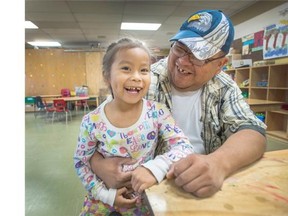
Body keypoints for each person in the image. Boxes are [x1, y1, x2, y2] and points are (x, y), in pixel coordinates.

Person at [90, 9, 267, 199]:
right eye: (180, 48)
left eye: (199, 55)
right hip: (144, 192)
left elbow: (252, 131)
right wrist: (97, 164)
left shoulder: (224, 87)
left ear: (220, 65)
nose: (182, 61)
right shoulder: (144, 81)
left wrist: (218, 163)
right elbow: (100, 130)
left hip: (201, 190)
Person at [73, 38, 194, 215]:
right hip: (101, 200)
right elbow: (81, 162)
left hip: (143, 201)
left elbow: (184, 147)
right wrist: (105, 195)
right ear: (107, 75)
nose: (136, 77)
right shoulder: (92, 121)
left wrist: (155, 169)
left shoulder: (158, 113)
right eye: (126, 68)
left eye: (144, 70)